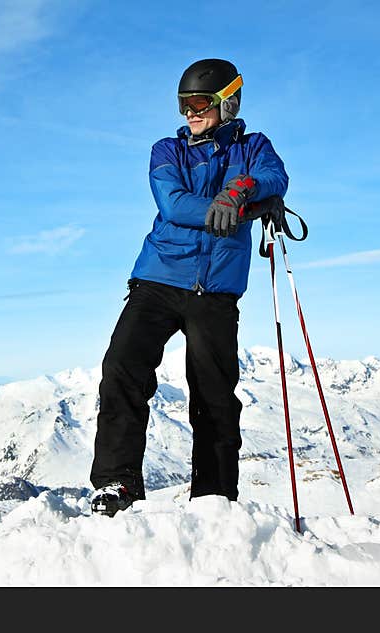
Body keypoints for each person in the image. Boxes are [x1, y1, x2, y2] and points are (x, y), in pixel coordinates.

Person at [89, 58, 289, 516]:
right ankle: (116, 485)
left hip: (217, 289)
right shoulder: (167, 151)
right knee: (122, 366)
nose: (190, 113)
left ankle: (214, 499)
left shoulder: (254, 146)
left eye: (199, 103)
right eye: (184, 105)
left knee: (214, 392)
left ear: (228, 101)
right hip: (158, 278)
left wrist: (240, 189)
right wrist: (239, 207)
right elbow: (173, 203)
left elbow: (275, 178)